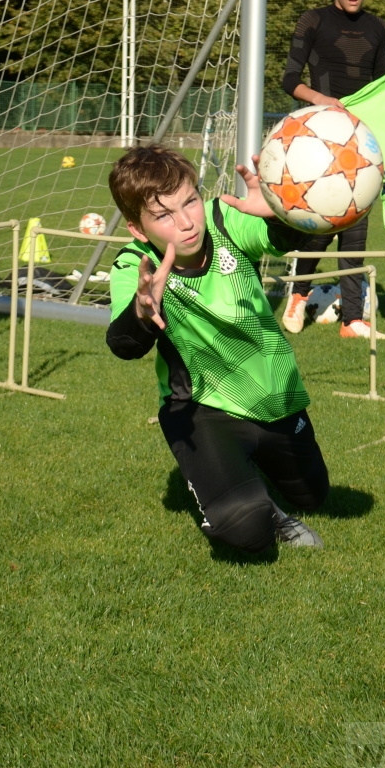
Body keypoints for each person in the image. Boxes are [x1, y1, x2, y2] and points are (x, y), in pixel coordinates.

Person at [105, 145, 328, 552]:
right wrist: (142, 312)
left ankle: (250, 470)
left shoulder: (223, 219)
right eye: (164, 215)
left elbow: (285, 238)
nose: (187, 222)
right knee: (245, 530)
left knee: (313, 496)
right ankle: (255, 501)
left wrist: (281, 211)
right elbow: (123, 344)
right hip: (201, 410)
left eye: (189, 201)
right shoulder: (135, 266)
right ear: (138, 229)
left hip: (274, 394)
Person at [280, 0, 385, 338]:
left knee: (357, 223)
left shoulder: (379, 29)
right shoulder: (314, 20)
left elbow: (380, 86)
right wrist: (323, 101)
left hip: (362, 138)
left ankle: (352, 320)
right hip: (320, 134)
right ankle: (298, 294)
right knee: (323, 219)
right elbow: (289, 79)